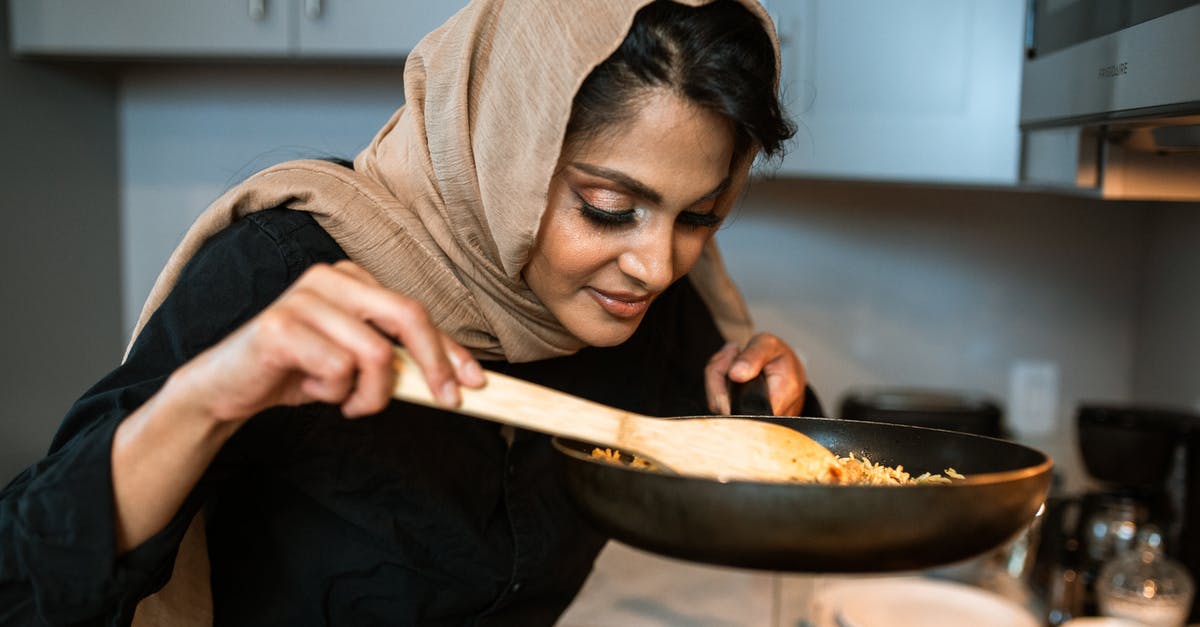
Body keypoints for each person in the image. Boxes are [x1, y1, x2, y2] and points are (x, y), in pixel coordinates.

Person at [0, 0, 816, 624]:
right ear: (503, 156)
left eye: (701, 216)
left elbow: (781, 492)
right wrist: (205, 400)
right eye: (607, 206)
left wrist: (768, 403)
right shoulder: (287, 275)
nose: (656, 263)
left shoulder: (648, 308)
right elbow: (23, 584)